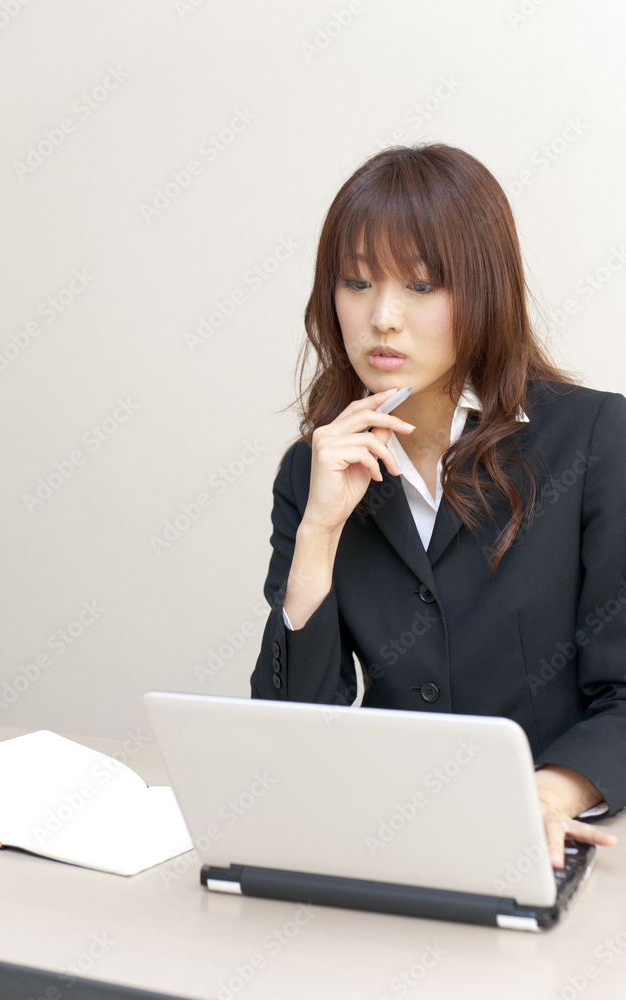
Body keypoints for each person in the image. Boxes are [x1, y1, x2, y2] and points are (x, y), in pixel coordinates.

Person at [250, 143, 624, 868]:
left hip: (554, 846)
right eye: (356, 283)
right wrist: (320, 530)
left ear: (482, 291)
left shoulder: (595, 439)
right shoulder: (314, 468)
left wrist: (548, 793)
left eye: (421, 286)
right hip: (388, 843)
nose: (381, 317)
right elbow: (296, 729)